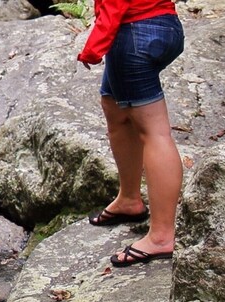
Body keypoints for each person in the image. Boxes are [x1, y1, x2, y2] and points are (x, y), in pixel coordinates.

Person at [77, 0, 185, 267]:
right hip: (164, 25)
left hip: (136, 31)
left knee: (155, 133)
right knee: (114, 106)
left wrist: (93, 48)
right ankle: (129, 200)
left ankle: (161, 236)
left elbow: (115, 4)